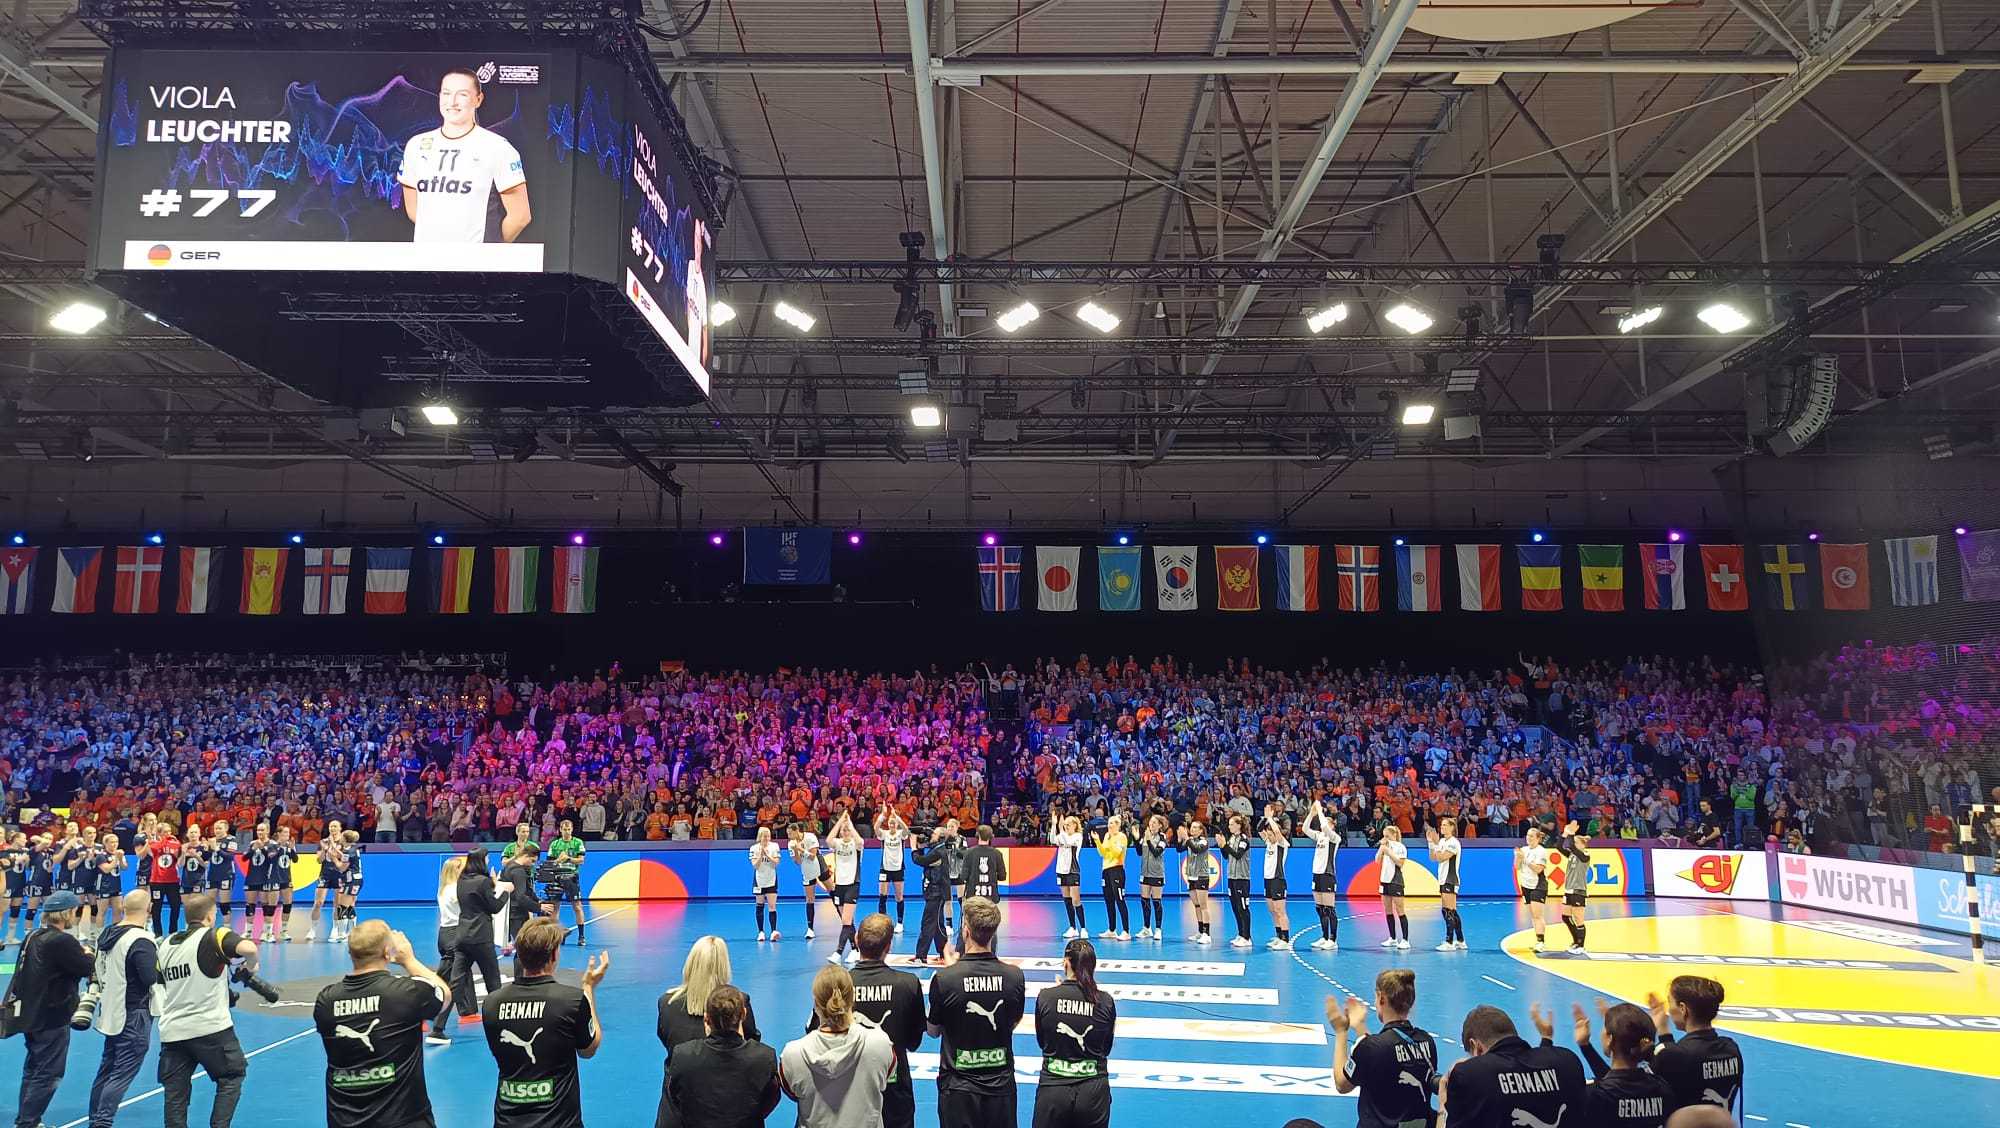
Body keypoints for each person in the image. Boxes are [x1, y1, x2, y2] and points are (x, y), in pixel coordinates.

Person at [313, 919, 452, 1128]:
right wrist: (409, 960)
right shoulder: (404, 993)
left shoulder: (326, 1000)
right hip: (403, 1120)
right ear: (388, 953)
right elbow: (445, 996)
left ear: (351, 954)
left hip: (344, 1121)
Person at [482, 918, 609, 1128]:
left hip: (507, 1121)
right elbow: (588, 1049)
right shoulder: (572, 1001)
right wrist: (588, 988)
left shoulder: (491, 1004)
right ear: (554, 955)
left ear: (520, 955)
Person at [155, 893, 258, 1128]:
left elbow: (163, 983)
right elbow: (249, 948)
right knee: (232, 1075)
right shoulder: (214, 935)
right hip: (211, 1028)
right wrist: (250, 967)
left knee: (175, 1096)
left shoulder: (166, 945)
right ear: (210, 917)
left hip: (173, 1031)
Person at [399, 66, 533, 243]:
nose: (452, 102)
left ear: (478, 99)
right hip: (426, 262)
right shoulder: (415, 146)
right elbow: (415, 210)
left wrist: (489, 251)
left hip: (476, 266)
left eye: (462, 94)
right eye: (446, 93)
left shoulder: (498, 148)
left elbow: (520, 216)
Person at [927, 897, 1026, 1128]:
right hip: (1000, 1088)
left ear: (966, 931)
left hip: (959, 1091)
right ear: (993, 932)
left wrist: (953, 976)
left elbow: (932, 1031)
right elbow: (1013, 1021)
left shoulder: (944, 979)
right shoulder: (1014, 977)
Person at [9, 889, 97, 1128]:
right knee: (49, 1072)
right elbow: (85, 967)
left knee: (34, 1068)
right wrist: (87, 953)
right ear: (67, 912)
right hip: (52, 1015)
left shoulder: (33, 936)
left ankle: (28, 1119)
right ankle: (27, 1122)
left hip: (31, 1013)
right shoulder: (62, 941)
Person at [778, 964, 895, 1128]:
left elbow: (792, 1092)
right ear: (852, 999)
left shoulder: (792, 1054)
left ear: (816, 1004)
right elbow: (887, 1077)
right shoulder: (881, 1044)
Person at [836, 914, 925, 1128]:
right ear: (889, 946)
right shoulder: (908, 984)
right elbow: (913, 1043)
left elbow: (817, 1034)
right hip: (894, 1087)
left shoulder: (838, 985)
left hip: (848, 1088)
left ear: (856, 941)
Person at [1439, 1005, 1584, 1128]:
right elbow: (1531, 1082)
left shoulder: (1469, 1076)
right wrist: (1546, 1040)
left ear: (1475, 1046)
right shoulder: (1568, 1062)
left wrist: (1443, 1107)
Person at [1325, 969, 1437, 1128]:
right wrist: (1360, 1026)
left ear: (1382, 999)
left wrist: (1341, 1031)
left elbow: (1342, 1084)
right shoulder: (1427, 1042)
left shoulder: (1371, 1047)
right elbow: (1384, 1053)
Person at [88, 890, 161, 1128]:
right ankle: (103, 1122)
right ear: (148, 909)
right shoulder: (140, 939)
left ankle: (95, 1118)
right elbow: (151, 977)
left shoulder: (107, 934)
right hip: (135, 1013)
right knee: (123, 1071)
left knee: (107, 1067)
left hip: (112, 1008)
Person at [663, 985, 779, 1128]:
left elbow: (675, 1097)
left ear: (706, 1019)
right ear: (743, 1013)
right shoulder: (764, 1057)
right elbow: (772, 1098)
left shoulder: (683, 1056)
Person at [1031, 938, 1116, 1128]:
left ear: (1066, 962)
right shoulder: (1105, 1001)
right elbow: (1106, 1047)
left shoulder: (1046, 997)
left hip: (1054, 1089)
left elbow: (1042, 1041)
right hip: (1093, 1091)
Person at [1562, 998, 1673, 1128]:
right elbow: (1620, 1082)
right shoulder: (1663, 1089)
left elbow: (1613, 1087)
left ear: (1610, 1039)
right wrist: (1586, 1046)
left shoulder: (1592, 1095)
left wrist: (1584, 1045)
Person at [658, 936, 763, 1069]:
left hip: (680, 1084)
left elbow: (666, 1039)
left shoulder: (666, 1003)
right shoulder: (740, 1001)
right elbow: (751, 1044)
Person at [1644, 977, 1742, 1114]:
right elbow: (1680, 1062)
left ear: (1683, 1009)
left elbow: (1633, 1089)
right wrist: (1663, 1030)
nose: (1669, 1009)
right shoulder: (1731, 1049)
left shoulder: (1673, 1055)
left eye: (1670, 1002)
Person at [452, 847, 511, 1025]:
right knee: (492, 979)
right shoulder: (483, 881)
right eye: (486, 859)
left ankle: (438, 1025)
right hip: (481, 937)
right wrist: (506, 893)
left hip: (462, 935)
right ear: (481, 860)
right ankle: (497, 1018)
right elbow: (494, 907)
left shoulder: (462, 880)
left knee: (457, 981)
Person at [429, 855, 467, 1044]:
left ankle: (424, 1012)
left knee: (441, 978)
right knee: (454, 983)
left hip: (444, 934)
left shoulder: (444, 889)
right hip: (456, 936)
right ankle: (437, 1030)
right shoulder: (457, 890)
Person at [825, 811, 864, 964]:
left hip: (852, 885)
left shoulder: (856, 845)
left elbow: (860, 840)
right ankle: (855, 950)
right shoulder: (837, 844)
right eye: (843, 830)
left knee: (846, 921)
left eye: (847, 830)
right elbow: (829, 839)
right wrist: (841, 821)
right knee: (847, 921)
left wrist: (850, 825)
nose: (845, 832)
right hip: (839, 885)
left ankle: (838, 952)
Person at [1301, 801, 1340, 950]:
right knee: (1320, 908)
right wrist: (1312, 813)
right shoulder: (1319, 836)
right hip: (1317, 874)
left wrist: (1320, 811)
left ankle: (1333, 939)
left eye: (1329, 823)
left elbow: (1324, 825)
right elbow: (1305, 828)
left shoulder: (1334, 838)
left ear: (1332, 826)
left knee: (1329, 908)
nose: (1324, 824)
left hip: (1327, 874)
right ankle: (1324, 937)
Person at [911, 827, 953, 964]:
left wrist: (913, 847)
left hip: (936, 893)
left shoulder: (939, 852)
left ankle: (920, 956)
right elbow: (928, 832)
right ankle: (943, 953)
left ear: (940, 837)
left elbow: (920, 860)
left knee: (928, 923)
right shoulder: (938, 847)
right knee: (937, 925)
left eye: (934, 834)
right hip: (936, 892)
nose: (931, 836)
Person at [545, 819, 588, 946]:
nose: (567, 832)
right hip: (557, 877)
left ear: (572, 830)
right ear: (560, 830)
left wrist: (568, 858)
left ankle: (581, 936)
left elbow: (581, 860)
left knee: (577, 907)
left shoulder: (578, 842)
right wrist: (559, 860)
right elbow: (550, 863)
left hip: (571, 877)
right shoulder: (555, 844)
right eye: (564, 829)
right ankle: (557, 935)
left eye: (569, 829)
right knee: (555, 908)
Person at [1426, 818, 1466, 951]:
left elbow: (1442, 857)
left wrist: (1436, 845)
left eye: (1444, 825)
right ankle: (1460, 941)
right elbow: (1433, 857)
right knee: (1448, 911)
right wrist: (1431, 843)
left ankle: (1449, 942)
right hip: (1443, 878)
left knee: (1449, 911)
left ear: (1451, 828)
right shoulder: (1442, 841)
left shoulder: (1454, 843)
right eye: (1441, 825)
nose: (1442, 827)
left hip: (1451, 878)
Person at [140, 821, 185, 935]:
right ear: (159, 833)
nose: (168, 833)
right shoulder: (154, 844)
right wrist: (162, 840)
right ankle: (158, 934)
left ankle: (173, 932)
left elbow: (180, 863)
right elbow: (147, 852)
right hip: (157, 881)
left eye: (169, 831)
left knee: (175, 906)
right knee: (156, 908)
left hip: (173, 881)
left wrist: (181, 851)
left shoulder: (176, 844)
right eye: (165, 832)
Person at [1091, 815, 1130, 941]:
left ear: (1118, 825)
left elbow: (1116, 853)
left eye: (1113, 823)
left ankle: (1126, 931)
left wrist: (1111, 840)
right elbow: (1102, 853)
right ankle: (1112, 930)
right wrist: (1097, 840)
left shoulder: (1121, 837)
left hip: (1117, 869)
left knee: (1120, 900)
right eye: (1109, 823)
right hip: (1106, 870)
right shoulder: (1107, 836)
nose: (1110, 825)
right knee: (1109, 901)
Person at [872, 809, 910, 933]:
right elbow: (876, 828)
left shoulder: (900, 834)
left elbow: (907, 830)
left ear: (897, 824)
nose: (892, 825)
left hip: (898, 869)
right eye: (890, 823)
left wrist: (897, 817)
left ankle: (900, 923)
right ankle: (882, 922)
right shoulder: (884, 834)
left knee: (899, 896)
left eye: (894, 823)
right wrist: (883, 815)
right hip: (885, 869)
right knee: (882, 896)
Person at [308, 819, 346, 943]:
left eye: (335, 826)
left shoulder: (344, 842)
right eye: (331, 826)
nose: (333, 829)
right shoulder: (323, 841)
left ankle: (335, 929)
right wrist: (325, 849)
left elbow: (344, 858)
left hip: (339, 874)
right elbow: (319, 860)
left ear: (340, 828)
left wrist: (334, 848)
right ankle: (312, 930)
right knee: (318, 902)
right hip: (325, 874)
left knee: (337, 904)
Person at [1514, 826, 1551, 953]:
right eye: (1527, 835)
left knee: (1537, 915)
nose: (1528, 838)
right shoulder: (1524, 849)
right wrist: (1518, 857)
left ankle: (1541, 942)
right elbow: (1517, 867)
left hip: (1538, 885)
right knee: (1532, 915)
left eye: (1531, 836)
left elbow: (1538, 869)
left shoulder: (1541, 851)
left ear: (1537, 839)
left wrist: (1525, 859)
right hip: (1526, 885)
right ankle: (1537, 940)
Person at [1557, 821, 1592, 954]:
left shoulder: (1585, 856)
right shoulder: (1572, 855)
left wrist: (1571, 834)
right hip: (1568, 890)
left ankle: (1581, 945)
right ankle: (1575, 941)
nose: (1574, 846)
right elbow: (1559, 847)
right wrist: (1565, 833)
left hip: (1579, 890)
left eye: (1578, 843)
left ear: (1583, 845)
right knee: (1566, 916)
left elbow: (1571, 845)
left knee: (1578, 918)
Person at [960, 825, 1007, 922]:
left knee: (972, 924)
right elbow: (1002, 877)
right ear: (991, 837)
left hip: (973, 897)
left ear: (977, 835)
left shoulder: (969, 852)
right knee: (990, 926)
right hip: (991, 897)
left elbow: (963, 876)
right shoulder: (997, 853)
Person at [1262, 807, 1293, 950]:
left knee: (1280, 910)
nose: (1269, 836)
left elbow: (1278, 833)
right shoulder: (1269, 843)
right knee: (1272, 910)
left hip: (1278, 879)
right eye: (1268, 834)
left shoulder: (1282, 843)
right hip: (1267, 880)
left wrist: (1271, 819)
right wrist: (1265, 817)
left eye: (1271, 834)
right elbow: (1259, 829)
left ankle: (1286, 940)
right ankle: (1279, 935)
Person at [788, 825, 826, 941]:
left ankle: (844, 922)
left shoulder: (810, 837)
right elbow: (798, 861)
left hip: (820, 866)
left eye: (790, 833)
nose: (789, 836)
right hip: (807, 870)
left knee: (833, 892)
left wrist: (800, 849)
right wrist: (795, 850)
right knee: (809, 899)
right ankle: (810, 929)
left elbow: (812, 856)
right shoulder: (791, 844)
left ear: (796, 831)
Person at [1052, 815, 1088, 938]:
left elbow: (1067, 842)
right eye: (1065, 824)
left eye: (1068, 824)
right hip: (1061, 871)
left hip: (1073, 870)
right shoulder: (1062, 835)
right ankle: (1072, 927)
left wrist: (1061, 830)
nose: (1066, 826)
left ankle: (1083, 928)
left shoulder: (1078, 837)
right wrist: (1054, 824)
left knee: (1076, 900)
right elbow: (1053, 840)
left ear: (1075, 825)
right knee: (1067, 900)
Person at [1180, 819, 1215, 944]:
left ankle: (1207, 933)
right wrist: (1180, 838)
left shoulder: (1203, 841)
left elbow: (1196, 850)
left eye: (1196, 827)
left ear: (1201, 830)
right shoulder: (1191, 841)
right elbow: (1179, 849)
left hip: (1202, 876)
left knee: (1204, 905)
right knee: (1196, 905)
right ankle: (1200, 931)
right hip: (1191, 876)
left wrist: (1187, 838)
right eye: (1192, 827)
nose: (1192, 829)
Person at [1222, 814, 1254, 948]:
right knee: (1235, 907)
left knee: (1243, 907)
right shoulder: (1232, 839)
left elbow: (1238, 855)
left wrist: (1225, 845)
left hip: (1242, 878)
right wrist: (1222, 846)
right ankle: (1240, 934)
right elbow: (1226, 856)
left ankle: (1247, 937)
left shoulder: (1244, 840)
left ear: (1239, 825)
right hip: (1231, 876)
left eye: (1231, 824)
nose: (1229, 827)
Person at [1135, 816, 1169, 941]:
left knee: (1156, 901)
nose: (1151, 825)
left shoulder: (1162, 837)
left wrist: (1149, 841)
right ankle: (1146, 928)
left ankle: (1158, 929)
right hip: (1145, 873)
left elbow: (1156, 852)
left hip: (1157, 874)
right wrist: (1136, 838)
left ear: (1160, 825)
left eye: (1154, 823)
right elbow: (1139, 852)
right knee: (1144, 900)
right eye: (1150, 823)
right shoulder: (1145, 836)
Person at [749, 828, 784, 942]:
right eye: (764, 836)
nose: (767, 838)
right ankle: (761, 932)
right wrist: (760, 855)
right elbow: (755, 865)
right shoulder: (754, 848)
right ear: (760, 836)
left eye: (768, 836)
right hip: (759, 880)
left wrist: (767, 855)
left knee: (772, 906)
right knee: (759, 905)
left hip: (771, 879)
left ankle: (773, 931)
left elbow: (776, 863)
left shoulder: (775, 846)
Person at [205, 822, 236, 934]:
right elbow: (206, 857)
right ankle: (208, 927)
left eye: (219, 828)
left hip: (226, 875)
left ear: (226, 829)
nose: (217, 830)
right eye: (215, 828)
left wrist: (217, 849)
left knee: (224, 904)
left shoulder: (231, 840)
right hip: (212, 875)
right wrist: (207, 848)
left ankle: (227, 928)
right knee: (209, 903)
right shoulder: (212, 840)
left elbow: (230, 857)